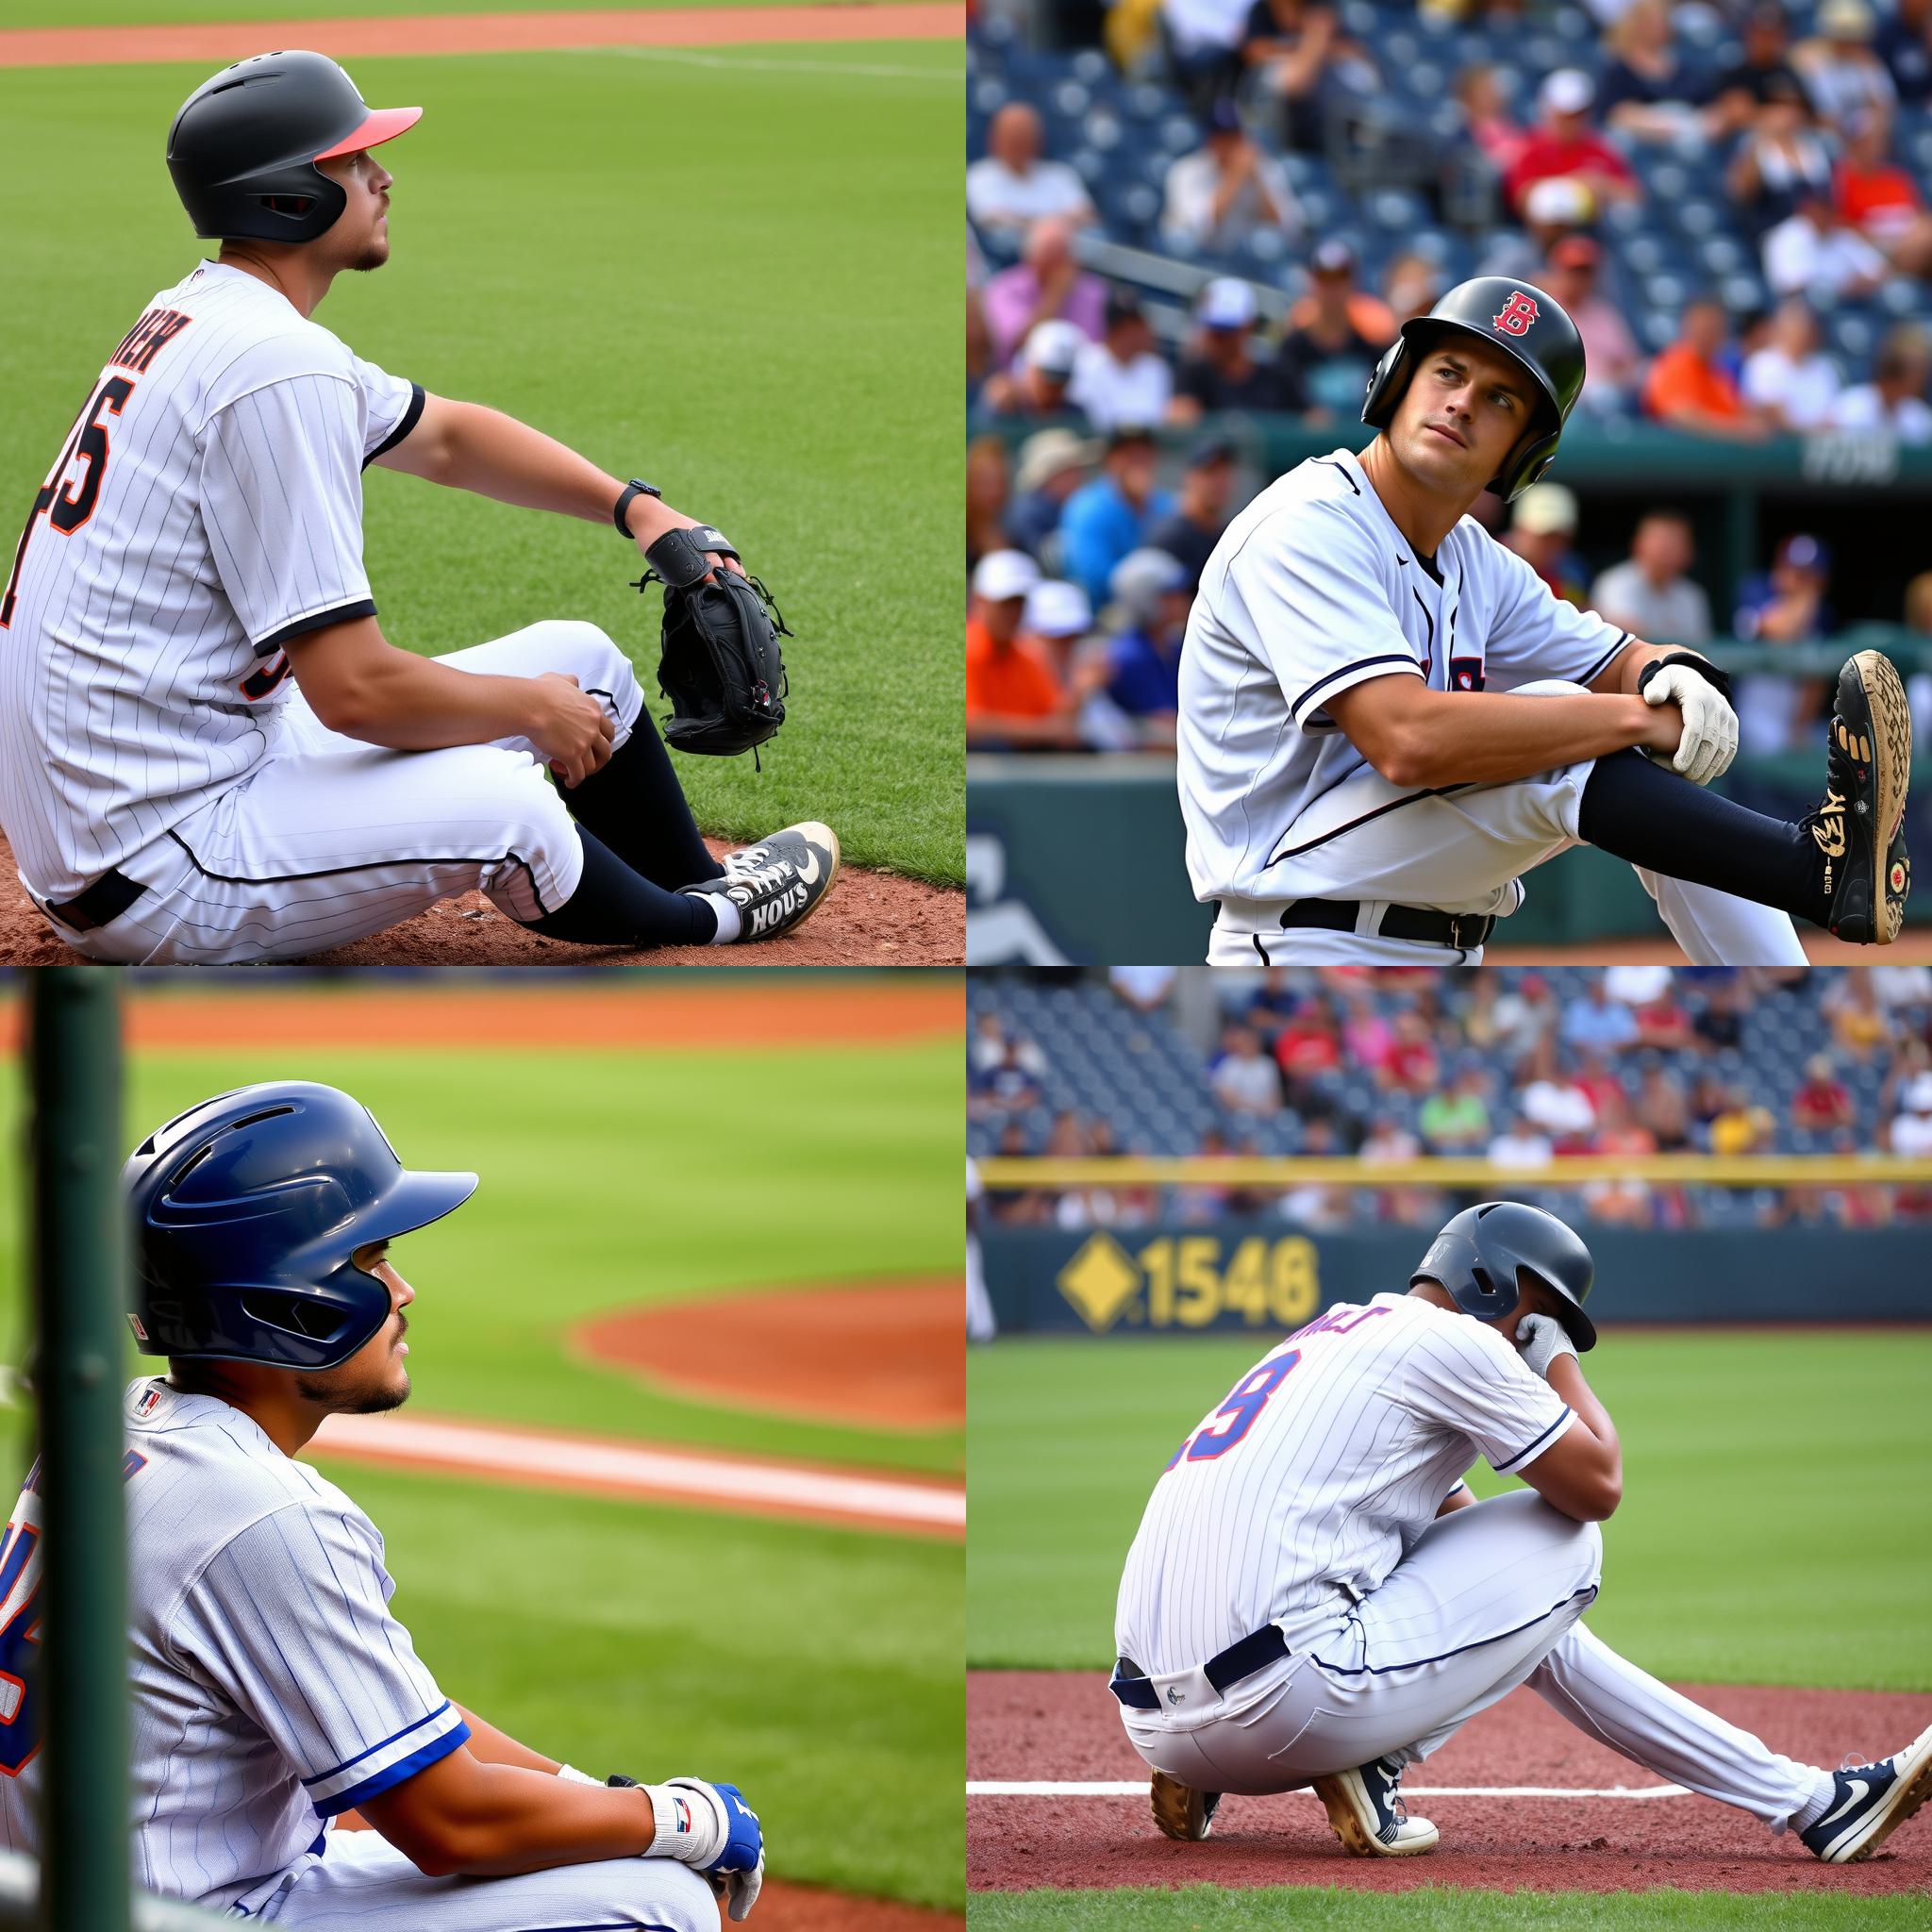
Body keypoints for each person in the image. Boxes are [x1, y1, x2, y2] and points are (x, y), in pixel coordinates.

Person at [0, 51, 837, 965]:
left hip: (148, 785)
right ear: (290, 196)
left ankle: (696, 877)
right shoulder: (276, 367)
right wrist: (526, 711)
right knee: (509, 805)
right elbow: (354, 689)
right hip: (153, 862)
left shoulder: (211, 315)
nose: (383, 175)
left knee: (584, 660)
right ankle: (709, 921)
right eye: (355, 161)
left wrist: (636, 508)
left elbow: (444, 437)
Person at [0, 1082, 763, 1925]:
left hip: (65, 1891)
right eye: (369, 1260)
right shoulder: (260, 1515)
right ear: (284, 1299)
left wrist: (597, 1801)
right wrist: (687, 1820)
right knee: (659, 1904)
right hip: (184, 1913)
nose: (401, 1292)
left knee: (613, 1852)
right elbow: (450, 1824)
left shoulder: (122, 1427)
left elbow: (386, 1711)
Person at [1111, 1203, 1932, 1866]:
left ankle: (1815, 1805)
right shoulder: (1460, 1342)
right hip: (1281, 1712)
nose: (1547, 1337)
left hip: (1156, 1725)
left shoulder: (1338, 1338)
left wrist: (1522, 1627)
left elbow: (1487, 1583)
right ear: (1495, 1286)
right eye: (1548, 1315)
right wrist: (1558, 1359)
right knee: (1569, 1543)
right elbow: (1598, 1485)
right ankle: (1376, 1761)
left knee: (1534, 1615)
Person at [1174, 275, 1912, 965]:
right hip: (1299, 925)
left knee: (1598, 734)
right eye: (1448, 373)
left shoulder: (1472, 557)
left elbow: (1622, 659)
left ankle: (1786, 965)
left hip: (1444, 941)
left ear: (1526, 453)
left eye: (1500, 399)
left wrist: (1671, 679)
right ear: (1398, 381)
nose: (1462, 402)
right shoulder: (1308, 523)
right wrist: (1639, 720)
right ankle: (1805, 869)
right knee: (1562, 722)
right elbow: (1405, 741)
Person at [1161, 98, 1302, 255]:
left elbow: (1289, 232)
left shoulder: (1265, 169)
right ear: (1210, 140)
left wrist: (1258, 180)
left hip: (1246, 265)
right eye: (1223, 137)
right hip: (1194, 260)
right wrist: (1235, 177)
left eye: (1235, 136)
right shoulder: (1186, 171)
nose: (1230, 144)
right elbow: (1197, 230)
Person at [1239, 0, 1380, 153]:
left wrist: (1315, 45)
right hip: (1289, 123)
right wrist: (1313, 45)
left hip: (1337, 113)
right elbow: (1256, 53)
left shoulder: (1320, 7)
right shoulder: (1261, 11)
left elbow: (1354, 52)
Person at [966, 550, 1074, 748]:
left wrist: (1084, 688)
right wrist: (1043, 732)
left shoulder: (1028, 655)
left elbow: (1057, 719)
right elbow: (970, 726)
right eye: (1006, 603)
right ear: (980, 601)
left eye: (1019, 603)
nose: (1014, 613)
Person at [1060, 427, 1174, 609]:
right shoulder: (1088, 506)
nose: (1138, 462)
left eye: (1144, 453)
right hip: (1100, 614)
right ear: (1110, 461)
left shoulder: (1164, 504)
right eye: (1129, 455)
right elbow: (1095, 578)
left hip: (1161, 613)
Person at [1279, 240, 1395, 419]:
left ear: (1353, 283)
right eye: (1325, 280)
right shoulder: (1293, 350)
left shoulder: (1371, 349)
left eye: (1339, 279)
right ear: (1312, 283)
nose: (1332, 290)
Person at [1170, 276, 1311, 423]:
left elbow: (1315, 421)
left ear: (1248, 327)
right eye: (1213, 330)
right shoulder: (1193, 373)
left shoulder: (1278, 374)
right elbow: (1179, 420)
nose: (1219, 339)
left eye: (1227, 331)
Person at [1503, 69, 1641, 220]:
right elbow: (1521, 199)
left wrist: (1602, 185)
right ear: (1549, 111)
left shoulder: (1600, 147)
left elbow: (1634, 195)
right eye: (1565, 116)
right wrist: (1573, 185)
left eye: (1578, 114)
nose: (1572, 122)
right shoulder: (1530, 148)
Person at [982, 214, 1108, 371]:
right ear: (1031, 256)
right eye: (1050, 253)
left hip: (1081, 377)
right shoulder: (1003, 288)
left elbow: (1095, 348)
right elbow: (1019, 344)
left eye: (1062, 253)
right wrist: (1055, 294)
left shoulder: (1092, 291)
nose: (1057, 261)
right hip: (1023, 377)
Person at [1099, 548, 1193, 746]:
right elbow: (1166, 723)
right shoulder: (1129, 656)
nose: (1182, 599)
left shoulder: (1173, 643)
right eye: (1169, 594)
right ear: (1146, 599)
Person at [1642, 297, 1769, 441]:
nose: (1708, 335)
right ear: (1688, 327)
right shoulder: (1676, 363)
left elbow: (1738, 411)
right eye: (1703, 328)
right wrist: (1739, 430)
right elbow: (1682, 417)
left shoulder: (1720, 372)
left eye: (1714, 329)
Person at [1543, 237, 1643, 415]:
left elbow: (1630, 364)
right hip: (1561, 396)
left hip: (1605, 399)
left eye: (1585, 272)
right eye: (1573, 271)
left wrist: (1612, 380)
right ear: (1557, 271)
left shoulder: (1604, 314)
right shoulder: (1546, 310)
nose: (1579, 279)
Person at [966, 102, 1096, 236]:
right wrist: (1054, 223)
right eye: (1013, 135)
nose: (1020, 142)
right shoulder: (978, 175)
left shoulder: (1060, 174)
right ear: (995, 138)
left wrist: (1028, 222)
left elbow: (1086, 216)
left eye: (1025, 134)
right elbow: (991, 219)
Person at [1596, 0, 1712, 145]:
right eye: (1651, 22)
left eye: (1662, 21)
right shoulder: (1618, 69)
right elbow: (1615, 113)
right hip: (1642, 144)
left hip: (1683, 139)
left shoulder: (1685, 67)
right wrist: (1662, 122)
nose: (1658, 28)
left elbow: (1706, 107)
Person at [1590, 510, 1713, 646]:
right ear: (1638, 543)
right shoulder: (1613, 583)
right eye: (1661, 540)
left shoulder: (1693, 595)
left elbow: (1702, 648)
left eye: (1676, 542)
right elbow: (1629, 638)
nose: (1667, 549)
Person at [1835, 108, 1932, 278]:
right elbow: (1845, 228)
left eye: (1879, 140)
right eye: (1868, 140)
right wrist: (1888, 243)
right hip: (1874, 250)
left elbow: (1920, 214)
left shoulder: (1896, 177)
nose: (1875, 146)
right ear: (1854, 143)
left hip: (1912, 245)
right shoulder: (1842, 180)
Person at [1070, 291, 1175, 434]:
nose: (1142, 330)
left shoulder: (1156, 368)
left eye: (1138, 323)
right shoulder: (1085, 362)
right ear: (1115, 329)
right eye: (1130, 325)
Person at [1765, 185, 1888, 300]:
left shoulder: (1841, 234)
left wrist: (1864, 282)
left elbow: (1879, 270)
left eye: (1828, 209)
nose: (1823, 215)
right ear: (1806, 210)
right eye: (1819, 209)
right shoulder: (1786, 237)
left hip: (1846, 304)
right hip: (1803, 306)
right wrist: (1842, 287)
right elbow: (1791, 287)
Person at [1710, 3, 1811, 142]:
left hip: (1786, 140)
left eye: (1772, 34)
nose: (1765, 40)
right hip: (1742, 141)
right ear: (1749, 33)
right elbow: (1737, 114)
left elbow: (1803, 114)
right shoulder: (1736, 71)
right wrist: (1775, 115)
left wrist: (1760, 113)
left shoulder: (1788, 72)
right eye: (1760, 33)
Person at [1740, 297, 1844, 432]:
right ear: (1781, 330)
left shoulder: (1825, 368)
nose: (1801, 334)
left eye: (1805, 328)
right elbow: (1776, 417)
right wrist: (1814, 429)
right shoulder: (1762, 364)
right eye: (1794, 327)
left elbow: (1832, 417)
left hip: (1819, 445)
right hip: (1779, 447)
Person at [1148, 439, 1241, 591]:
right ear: (1189, 478)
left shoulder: (1231, 534)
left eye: (1224, 473)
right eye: (1210, 472)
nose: (1219, 482)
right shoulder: (1170, 536)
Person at [1793, 0, 1897, 132]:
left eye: (1854, 37)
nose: (1849, 43)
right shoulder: (1816, 64)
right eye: (1843, 36)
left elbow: (1886, 105)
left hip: (1867, 135)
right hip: (1834, 136)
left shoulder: (1868, 62)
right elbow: (1826, 116)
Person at [1006, 426, 1102, 561]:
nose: (1080, 475)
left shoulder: (1071, 505)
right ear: (1051, 477)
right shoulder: (1030, 514)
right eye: (1071, 470)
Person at [1829, 325, 1932, 440]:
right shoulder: (1850, 406)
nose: (1922, 378)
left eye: (1923, 370)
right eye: (1916, 370)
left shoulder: (1920, 418)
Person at [1506, 483, 1589, 608]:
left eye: (1559, 537)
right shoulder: (1489, 560)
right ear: (1520, 530)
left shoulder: (1571, 574)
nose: (1552, 545)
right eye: (1544, 536)